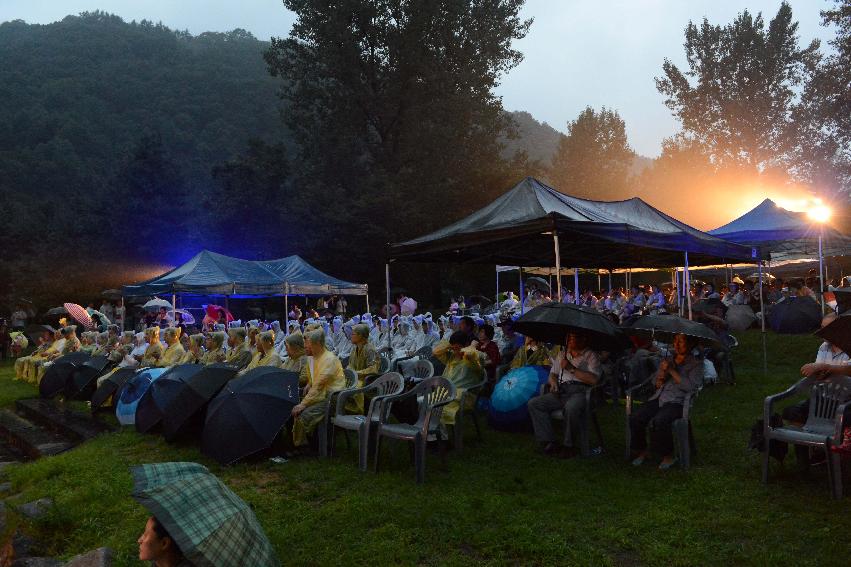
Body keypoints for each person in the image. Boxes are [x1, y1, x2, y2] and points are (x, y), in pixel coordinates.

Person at [629, 333, 703, 470]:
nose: (676, 345)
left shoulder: (696, 364)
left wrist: (672, 371)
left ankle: (668, 455)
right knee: (636, 417)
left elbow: (691, 387)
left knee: (660, 420)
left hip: (677, 402)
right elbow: (655, 383)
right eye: (675, 341)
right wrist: (660, 378)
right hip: (659, 397)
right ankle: (643, 450)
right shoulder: (669, 359)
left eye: (681, 342)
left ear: (691, 344)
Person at [527, 332, 601, 458]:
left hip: (581, 391)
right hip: (562, 390)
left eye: (574, 338)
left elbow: (594, 380)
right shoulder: (562, 353)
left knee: (571, 408)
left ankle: (568, 446)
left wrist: (572, 368)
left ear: (583, 339)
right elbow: (553, 374)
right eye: (569, 338)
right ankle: (548, 442)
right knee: (534, 404)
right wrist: (553, 383)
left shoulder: (591, 355)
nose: (570, 341)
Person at [782, 313, 851, 426]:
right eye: (822, 327)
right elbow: (818, 372)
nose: (822, 332)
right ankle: (805, 441)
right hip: (824, 396)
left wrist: (826, 368)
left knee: (844, 419)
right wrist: (819, 370)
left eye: (827, 328)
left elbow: (848, 370)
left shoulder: (848, 346)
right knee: (791, 412)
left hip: (846, 400)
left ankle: (834, 442)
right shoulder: (824, 347)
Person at [291, 328, 346, 449]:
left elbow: (319, 385)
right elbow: (313, 379)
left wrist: (303, 404)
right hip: (318, 395)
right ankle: (302, 443)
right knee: (291, 406)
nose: (305, 348)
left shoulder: (329, 359)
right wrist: (309, 384)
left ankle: (305, 447)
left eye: (308, 345)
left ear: (317, 345)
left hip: (331, 399)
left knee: (302, 415)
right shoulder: (312, 358)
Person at [432, 331, 485, 428]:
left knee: (438, 409)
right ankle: (434, 436)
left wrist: (472, 345)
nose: (455, 350)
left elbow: (471, 355)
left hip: (464, 396)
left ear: (466, 345)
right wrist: (449, 345)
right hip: (446, 393)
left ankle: (441, 438)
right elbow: (436, 351)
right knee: (424, 404)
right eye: (454, 347)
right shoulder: (451, 356)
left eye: (458, 346)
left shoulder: (475, 356)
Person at [344, 323, 379, 413]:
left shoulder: (370, 349)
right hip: (355, 378)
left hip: (366, 382)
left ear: (360, 336)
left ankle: (358, 412)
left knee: (354, 388)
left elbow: (373, 369)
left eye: (353, 334)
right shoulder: (354, 349)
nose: (351, 336)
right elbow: (350, 365)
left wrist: (357, 373)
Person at [476, 324, 501, 393]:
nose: (479, 334)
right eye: (479, 332)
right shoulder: (478, 345)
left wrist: (481, 364)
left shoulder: (492, 346)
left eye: (482, 332)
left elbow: (494, 361)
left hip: (487, 372)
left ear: (488, 333)